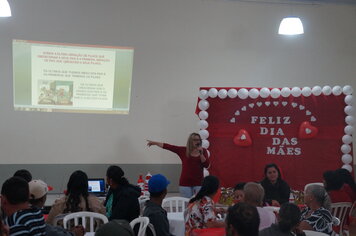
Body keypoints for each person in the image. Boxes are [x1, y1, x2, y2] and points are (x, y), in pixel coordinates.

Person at [147, 133, 210, 198]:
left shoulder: (203, 151)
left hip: (199, 183)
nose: (197, 141)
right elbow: (169, 146)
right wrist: (155, 143)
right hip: (185, 184)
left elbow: (207, 165)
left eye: (199, 140)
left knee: (199, 205)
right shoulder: (183, 150)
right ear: (190, 141)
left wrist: (201, 154)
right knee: (186, 205)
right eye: (195, 140)